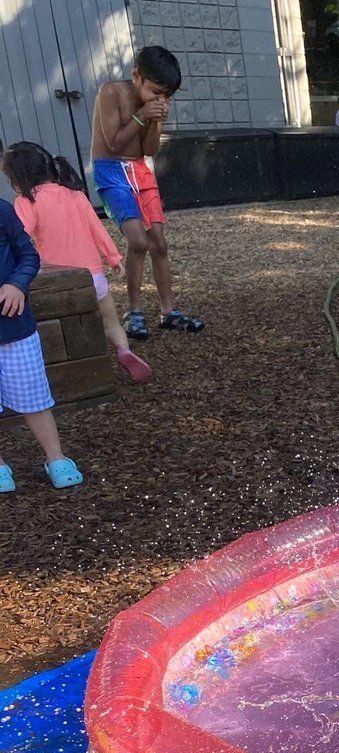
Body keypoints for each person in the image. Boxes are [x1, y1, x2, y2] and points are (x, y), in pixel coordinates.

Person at [4, 142, 150, 384]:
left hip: (60, 281)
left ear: (18, 178)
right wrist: (113, 258)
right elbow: (97, 229)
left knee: (51, 319)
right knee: (111, 322)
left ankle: (64, 368)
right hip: (94, 277)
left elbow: (20, 235)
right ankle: (124, 350)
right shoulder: (76, 195)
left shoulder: (27, 201)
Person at [91, 45, 203, 343]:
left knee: (159, 243)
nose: (160, 99)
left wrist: (154, 120)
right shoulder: (111, 93)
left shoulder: (154, 105)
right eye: (155, 91)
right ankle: (134, 311)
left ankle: (168, 311)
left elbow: (150, 149)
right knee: (138, 241)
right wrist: (143, 115)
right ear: (136, 76)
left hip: (140, 170)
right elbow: (114, 143)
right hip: (111, 171)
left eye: (166, 96)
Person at [0, 196, 81, 492]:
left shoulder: (2, 210)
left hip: (14, 329)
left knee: (33, 398)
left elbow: (28, 256)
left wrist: (17, 284)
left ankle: (56, 458)